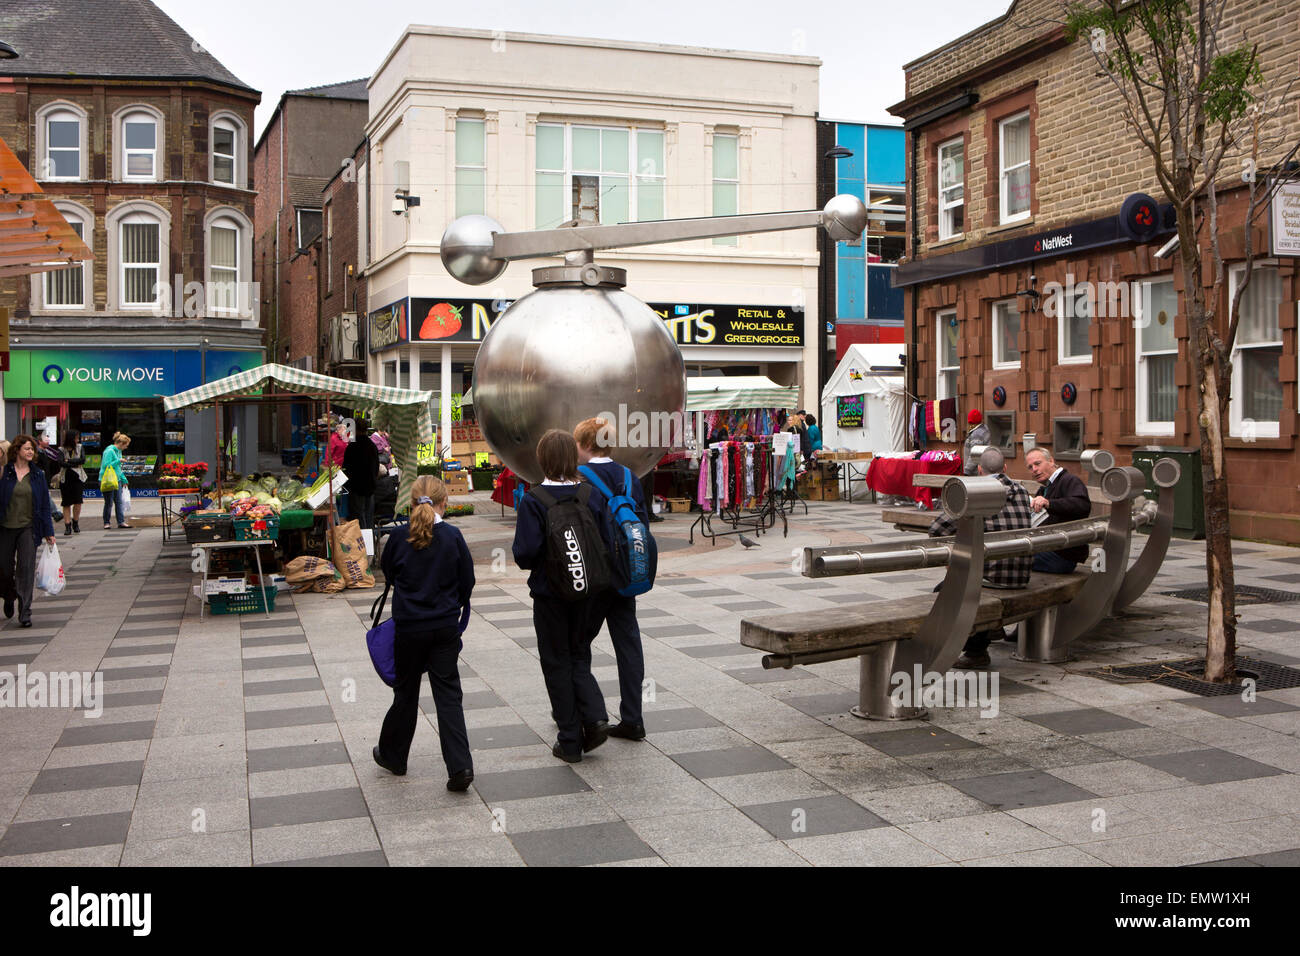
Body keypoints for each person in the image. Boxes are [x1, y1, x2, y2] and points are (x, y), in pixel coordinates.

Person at [512, 429, 612, 762]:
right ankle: (595, 716)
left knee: (556, 663)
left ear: (542, 459)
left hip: (551, 595)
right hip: (590, 593)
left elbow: (525, 553)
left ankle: (570, 740)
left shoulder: (534, 500)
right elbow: (606, 543)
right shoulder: (591, 494)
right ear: (572, 458)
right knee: (579, 654)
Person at [374, 475, 476, 791]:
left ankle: (394, 756)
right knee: (448, 696)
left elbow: (388, 573)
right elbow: (467, 581)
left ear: (410, 503)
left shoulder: (398, 538)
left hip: (409, 628)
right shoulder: (453, 536)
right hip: (444, 627)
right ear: (444, 503)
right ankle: (459, 767)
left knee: (405, 693)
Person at [574, 417, 651, 742]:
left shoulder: (580, 479)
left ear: (587, 444)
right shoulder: (629, 477)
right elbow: (643, 523)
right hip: (626, 573)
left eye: (578, 443)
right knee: (628, 644)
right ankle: (633, 718)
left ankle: (588, 713)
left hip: (594, 577)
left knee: (576, 645)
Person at [928, 446, 1032, 669]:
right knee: (966, 579)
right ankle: (989, 627)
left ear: (979, 470)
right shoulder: (1022, 491)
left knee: (945, 592)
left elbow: (936, 529)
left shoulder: (976, 490)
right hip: (1020, 573)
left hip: (991, 575)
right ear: (1005, 467)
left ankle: (974, 650)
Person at [0, 436, 58, 628]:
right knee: (5, 570)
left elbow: (43, 505)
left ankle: (25, 612)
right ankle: (9, 596)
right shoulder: (4, 472)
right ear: (16, 450)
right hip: (5, 528)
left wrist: (49, 532)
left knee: (25, 569)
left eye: (32, 449)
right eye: (26, 449)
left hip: (28, 528)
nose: (30, 452)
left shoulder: (37, 475)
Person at [1025, 447, 1091, 572]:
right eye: (1030, 467)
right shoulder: (1044, 488)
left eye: (1037, 464)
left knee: (1011, 556)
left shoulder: (1069, 480)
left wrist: (1049, 503)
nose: (1034, 469)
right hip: (1050, 550)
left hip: (1063, 556)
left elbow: (1082, 505)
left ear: (1051, 461)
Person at [342, 420, 380, 530]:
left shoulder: (352, 446)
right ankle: (370, 542)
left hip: (356, 487)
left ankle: (363, 542)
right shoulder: (372, 445)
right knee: (369, 516)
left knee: (358, 516)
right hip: (370, 486)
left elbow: (346, 467)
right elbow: (376, 466)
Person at [100, 432, 131, 529]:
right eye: (126, 445)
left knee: (119, 501)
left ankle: (121, 521)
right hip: (107, 479)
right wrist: (119, 461)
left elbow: (118, 468)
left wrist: (123, 479)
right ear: (121, 443)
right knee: (109, 502)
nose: (126, 447)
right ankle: (106, 522)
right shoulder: (109, 451)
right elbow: (106, 465)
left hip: (117, 479)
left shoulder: (119, 451)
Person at [58, 431, 86, 536]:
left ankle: (76, 522)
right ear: (71, 439)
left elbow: (82, 460)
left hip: (78, 479)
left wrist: (68, 460)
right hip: (65, 479)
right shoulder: (61, 449)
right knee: (66, 503)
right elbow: (61, 462)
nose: (77, 440)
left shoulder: (80, 447)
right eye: (76, 438)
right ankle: (67, 525)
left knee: (78, 502)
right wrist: (74, 462)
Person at [36, 433, 64, 524]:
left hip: (44, 479)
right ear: (40, 441)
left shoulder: (44, 452)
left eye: (48, 440)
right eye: (45, 440)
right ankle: (55, 512)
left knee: (44, 497)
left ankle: (53, 513)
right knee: (45, 496)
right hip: (40, 480)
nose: (48, 442)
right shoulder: (38, 453)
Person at [963, 410, 991, 476]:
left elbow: (975, 455)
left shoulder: (977, 434)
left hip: (975, 473)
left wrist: (967, 470)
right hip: (982, 471)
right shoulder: (983, 431)